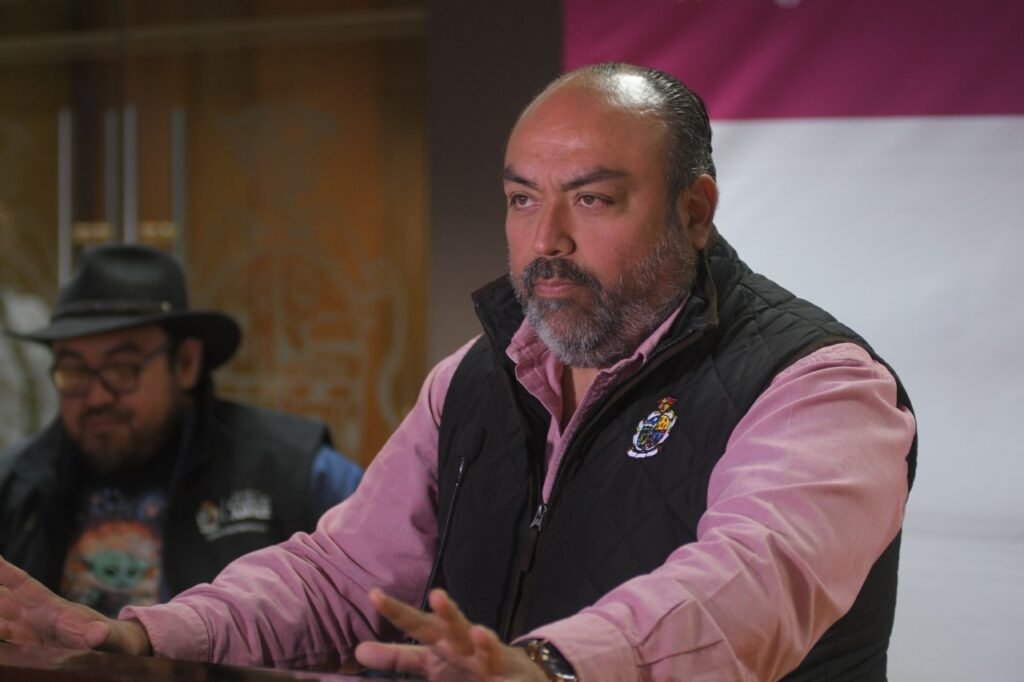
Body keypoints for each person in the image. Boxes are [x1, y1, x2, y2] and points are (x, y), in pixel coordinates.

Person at [0, 63, 916, 681]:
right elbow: (342, 577)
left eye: (593, 199)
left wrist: (551, 668)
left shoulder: (819, 384)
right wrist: (135, 638)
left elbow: (748, 587)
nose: (546, 241)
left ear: (696, 208)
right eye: (522, 199)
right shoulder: (474, 379)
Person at [0, 243, 363, 618]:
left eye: (122, 369)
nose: (96, 396)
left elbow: (383, 589)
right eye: (74, 371)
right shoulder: (18, 484)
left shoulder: (293, 470)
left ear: (187, 363)